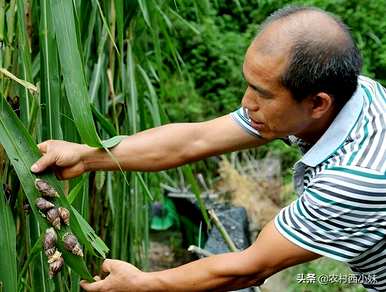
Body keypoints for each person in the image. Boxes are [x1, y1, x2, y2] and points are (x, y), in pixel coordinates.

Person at [31, 5, 386, 292]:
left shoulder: (356, 179)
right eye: (249, 85)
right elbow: (195, 139)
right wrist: (86, 156)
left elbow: (251, 267)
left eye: (262, 94)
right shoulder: (353, 93)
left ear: (317, 103)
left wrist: (145, 283)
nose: (247, 103)